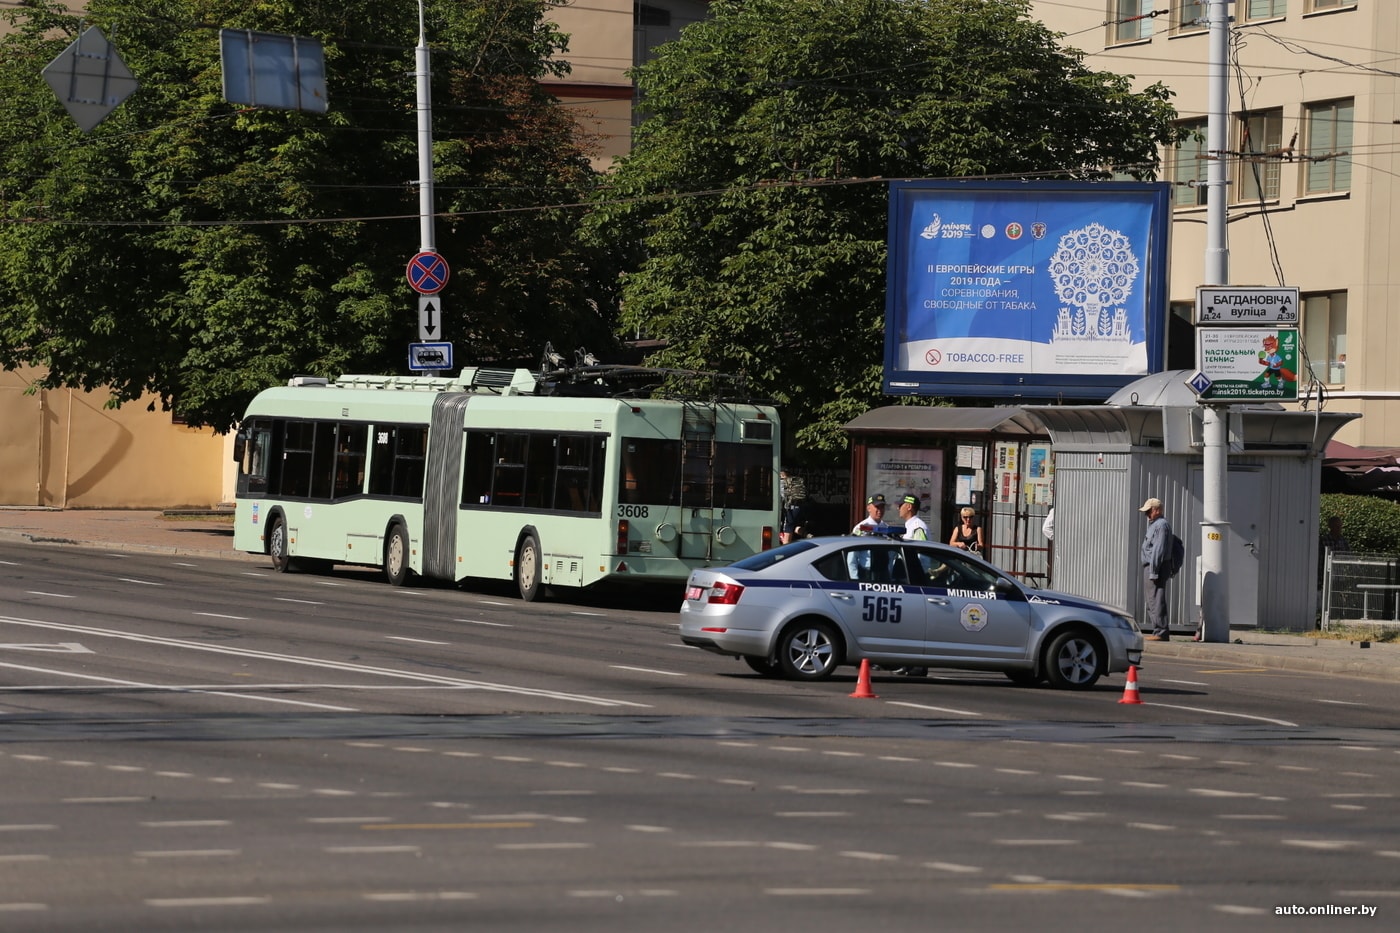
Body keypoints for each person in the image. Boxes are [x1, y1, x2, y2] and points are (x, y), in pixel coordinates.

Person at [1139, 497, 1172, 641]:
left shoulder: (1161, 525)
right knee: (1151, 600)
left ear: (1157, 510)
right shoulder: (1155, 525)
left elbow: (1158, 550)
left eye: (1149, 511)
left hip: (1155, 567)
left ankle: (1161, 632)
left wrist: (1154, 571)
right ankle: (1157, 630)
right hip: (1151, 566)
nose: (1147, 515)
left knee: (1156, 599)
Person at [779, 469, 811, 545]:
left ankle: (785, 550)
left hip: (790, 507)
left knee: (788, 528)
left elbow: (781, 496)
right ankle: (808, 535)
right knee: (793, 526)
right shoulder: (796, 481)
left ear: (783, 475)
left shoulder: (782, 482)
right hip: (800, 507)